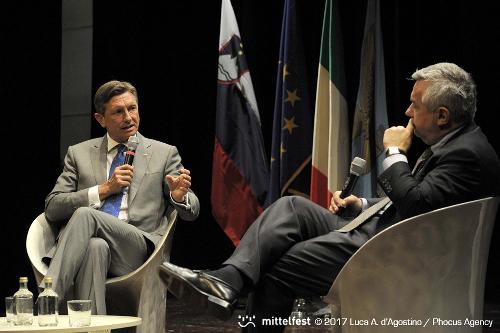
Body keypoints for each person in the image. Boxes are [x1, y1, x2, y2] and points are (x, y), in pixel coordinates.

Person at [158, 62, 500, 332]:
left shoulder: (467, 155)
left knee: (279, 265)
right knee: (292, 206)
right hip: (382, 233)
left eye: (415, 105)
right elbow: (428, 202)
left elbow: (418, 206)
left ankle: (232, 290)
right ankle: (226, 280)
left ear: (442, 115)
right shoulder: (459, 143)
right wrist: (363, 204)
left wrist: (394, 152)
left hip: (394, 256)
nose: (408, 112)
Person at [43, 80, 200, 315]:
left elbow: (193, 209)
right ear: (100, 119)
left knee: (86, 214)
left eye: (132, 108)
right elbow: (53, 207)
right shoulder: (78, 154)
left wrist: (179, 196)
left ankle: (47, 302)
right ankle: (94, 329)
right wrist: (104, 189)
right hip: (90, 246)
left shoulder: (164, 153)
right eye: (118, 111)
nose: (129, 117)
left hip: (138, 249)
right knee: (96, 247)